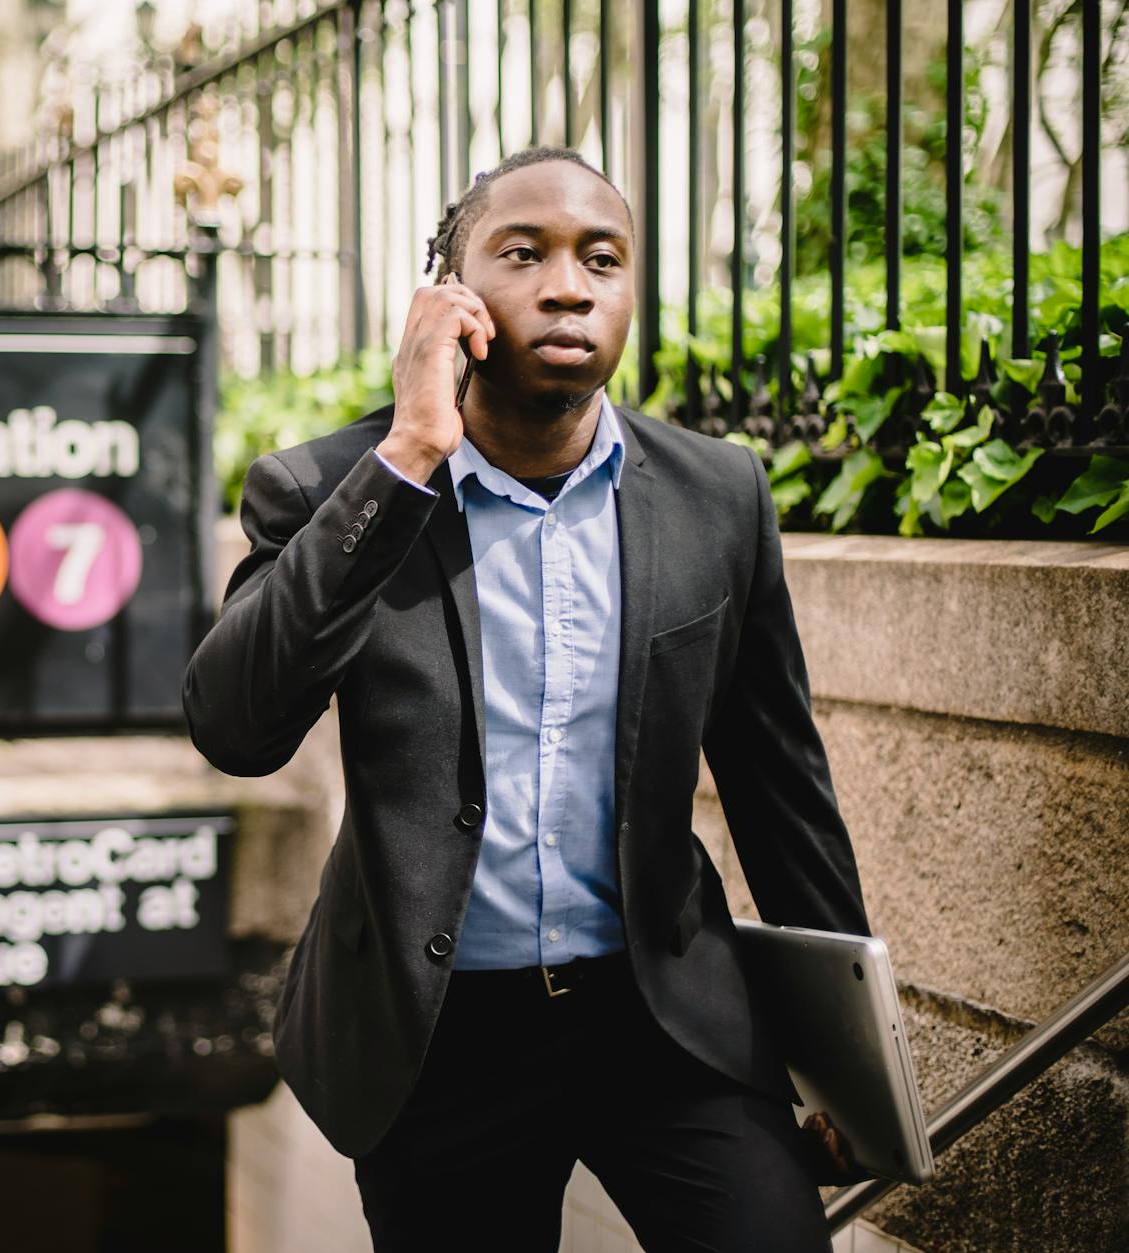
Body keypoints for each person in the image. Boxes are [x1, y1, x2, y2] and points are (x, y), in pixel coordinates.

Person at [181, 146, 872, 1251]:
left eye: (600, 257)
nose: (567, 283)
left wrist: (851, 1064)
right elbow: (234, 725)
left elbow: (779, 784)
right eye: (523, 253)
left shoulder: (715, 494)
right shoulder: (327, 488)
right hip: (433, 1038)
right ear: (447, 297)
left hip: (663, 1018)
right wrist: (409, 452)